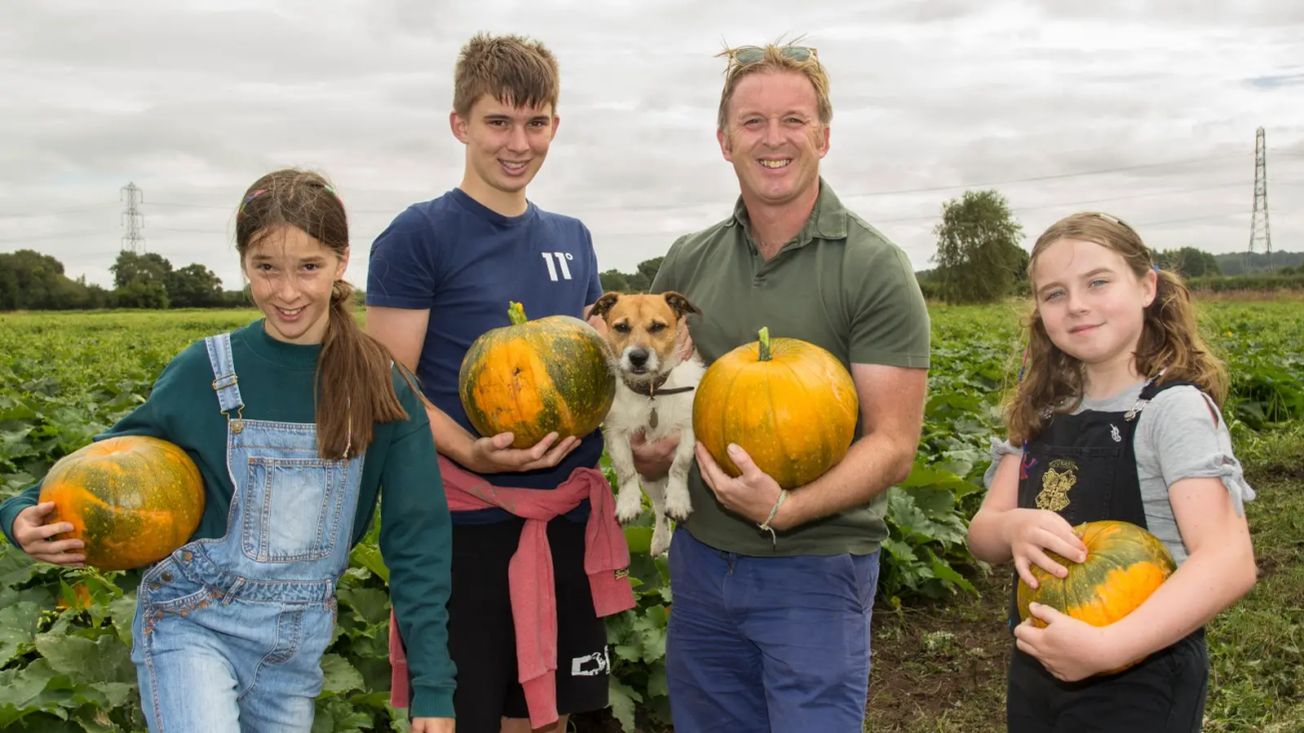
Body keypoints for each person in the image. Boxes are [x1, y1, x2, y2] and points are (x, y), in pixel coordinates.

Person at [0, 169, 455, 732]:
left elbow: (418, 540)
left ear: (341, 262)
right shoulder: (206, 371)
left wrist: (433, 686)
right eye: (266, 268)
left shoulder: (379, 385)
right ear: (244, 264)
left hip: (296, 646)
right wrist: (19, 510)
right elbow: (101, 461)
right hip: (193, 622)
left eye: (308, 267)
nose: (286, 291)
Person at [641, 42, 931, 731]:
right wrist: (653, 456)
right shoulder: (688, 260)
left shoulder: (872, 268)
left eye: (794, 120)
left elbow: (893, 444)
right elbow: (651, 394)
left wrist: (787, 507)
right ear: (724, 140)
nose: (774, 139)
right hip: (704, 563)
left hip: (816, 568)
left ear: (824, 137)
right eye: (753, 122)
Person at [365, 33, 632, 733]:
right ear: (460, 124)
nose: (519, 142)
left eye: (536, 121)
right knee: (466, 719)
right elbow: (384, 379)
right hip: (466, 525)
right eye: (498, 121)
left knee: (542, 718)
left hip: (562, 519)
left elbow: (589, 370)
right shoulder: (417, 235)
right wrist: (468, 449)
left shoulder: (571, 237)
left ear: (554, 125)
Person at [966, 211, 1257, 731]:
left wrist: (1107, 647)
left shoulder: (1173, 409)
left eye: (1097, 282)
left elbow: (1229, 560)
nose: (1076, 304)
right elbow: (983, 536)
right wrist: (1011, 527)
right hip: (1038, 662)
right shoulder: (1041, 408)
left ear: (1147, 286)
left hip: (1140, 672)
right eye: (1054, 293)